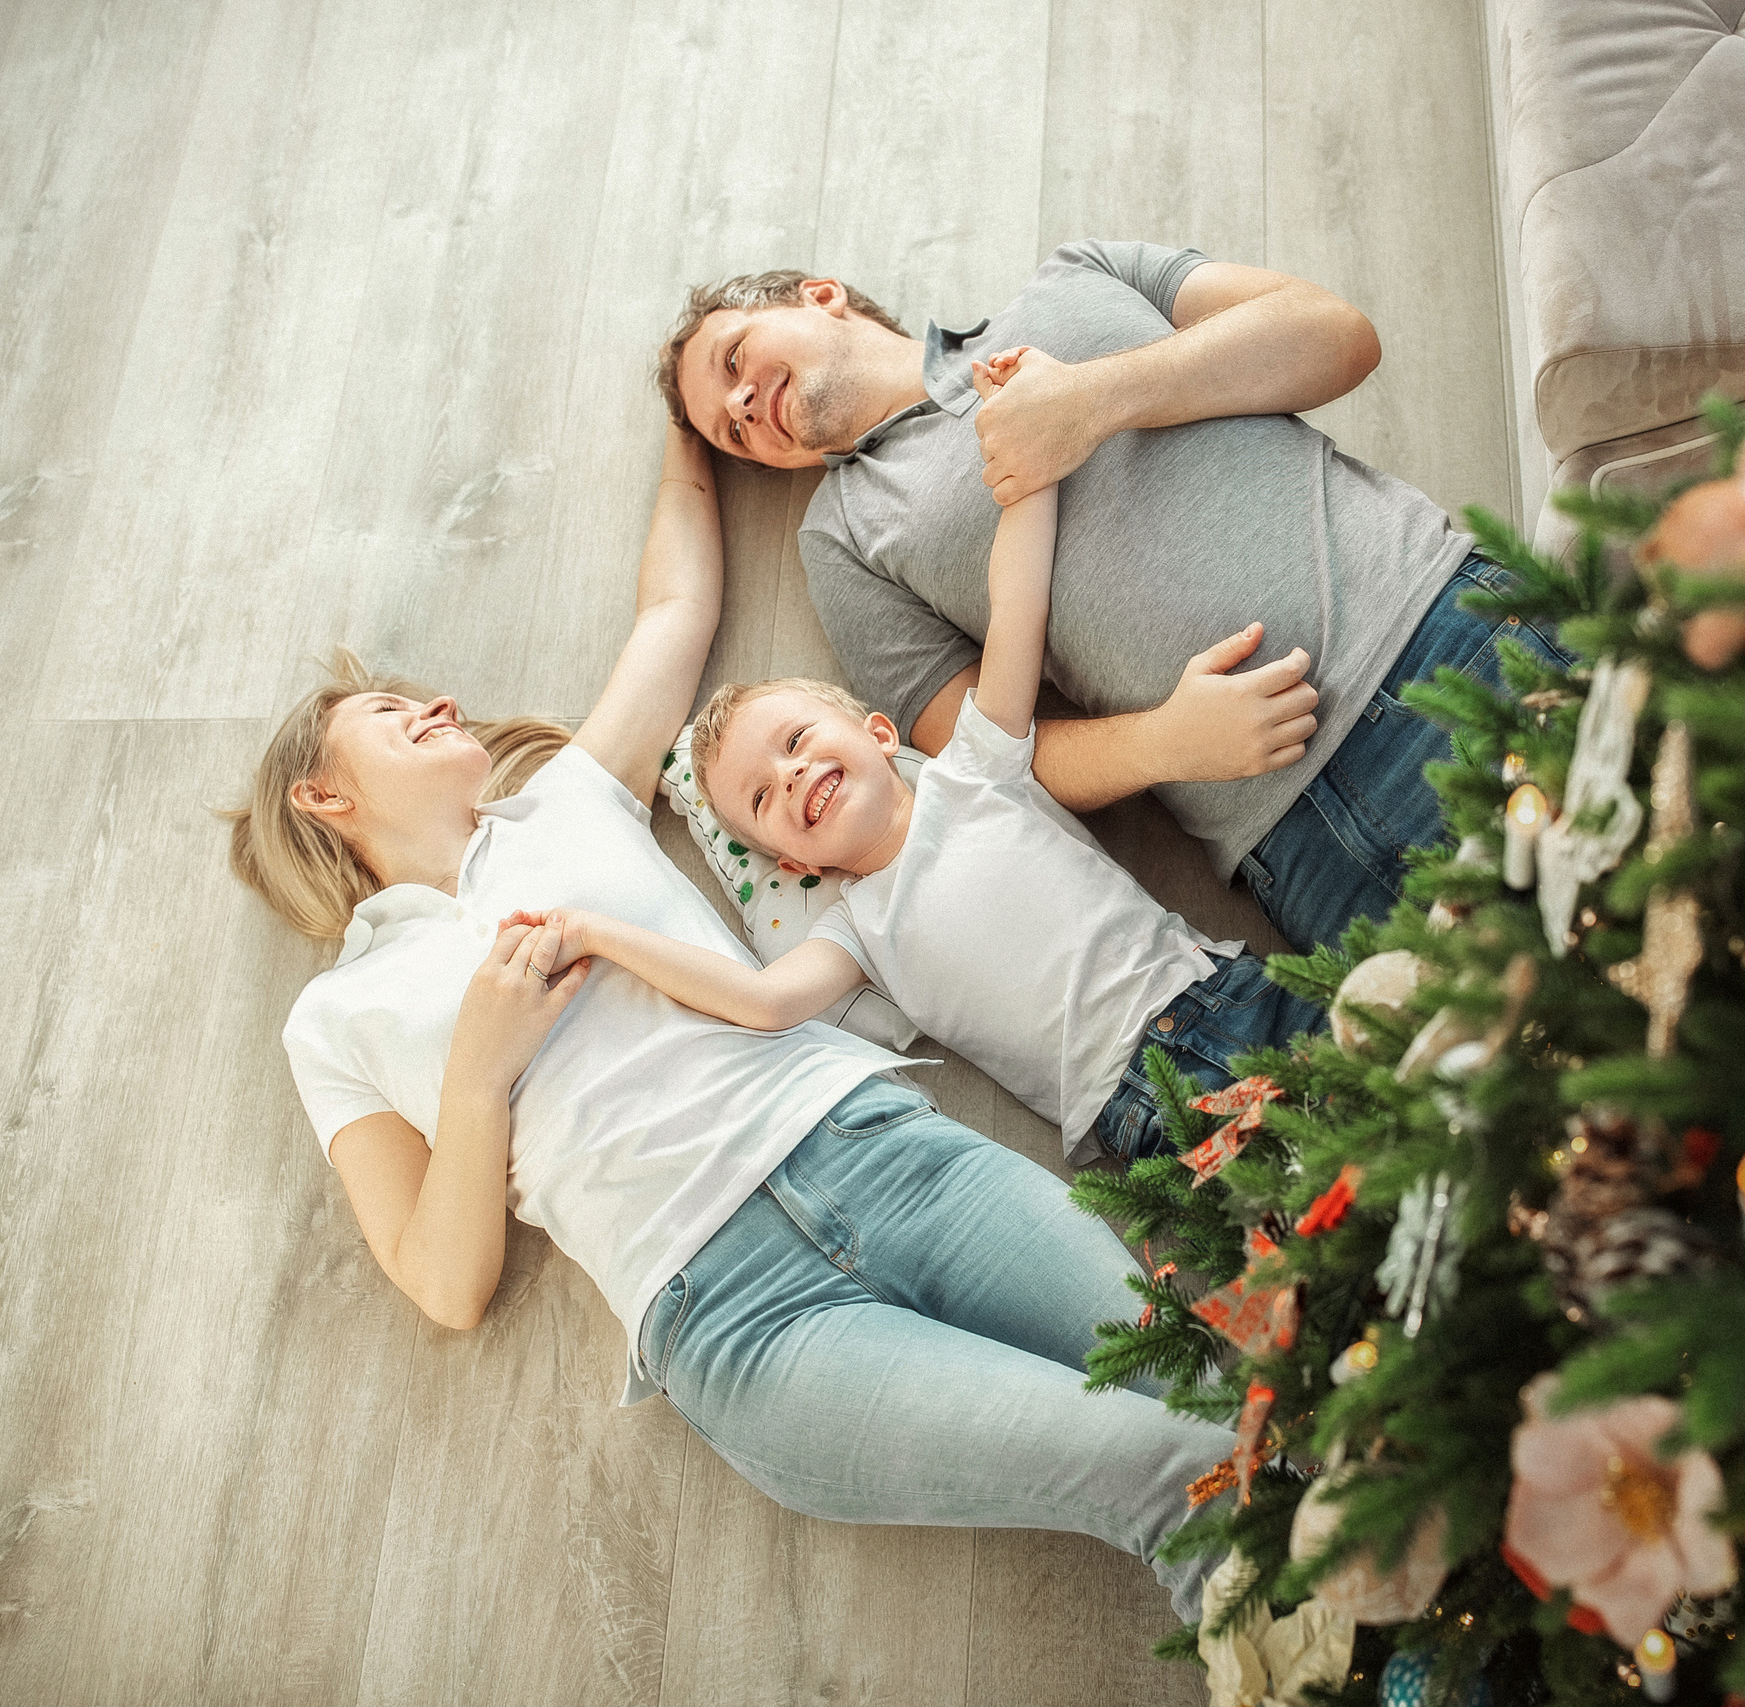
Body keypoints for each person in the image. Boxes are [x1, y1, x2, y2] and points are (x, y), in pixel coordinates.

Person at [225, 425, 1231, 1621]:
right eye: (391, 712)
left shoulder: (573, 803)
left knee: (1217, 1384)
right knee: (1165, 1468)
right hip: (738, 1317)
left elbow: (675, 606)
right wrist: (478, 1077)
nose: (439, 703)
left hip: (883, 1160)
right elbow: (445, 1285)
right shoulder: (335, 1020)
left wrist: (681, 424)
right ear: (321, 794)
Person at [653, 241, 1577, 953]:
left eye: (735, 359)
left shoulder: (1079, 274)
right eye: (726, 430)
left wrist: (1095, 399)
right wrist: (1165, 742)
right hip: (1312, 814)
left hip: (1450, 628)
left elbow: (1338, 334)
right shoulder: (845, 538)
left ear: (820, 295)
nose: (739, 406)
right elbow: (985, 758)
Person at [518, 349, 1318, 1164]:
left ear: (877, 733)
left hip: (1215, 988)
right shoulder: (858, 929)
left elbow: (1016, 606)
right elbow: (759, 1002)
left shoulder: (976, 766)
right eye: (761, 798)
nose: (790, 776)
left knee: (1414, 1114)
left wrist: (1027, 460)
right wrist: (595, 930)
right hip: (1146, 1102)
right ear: (791, 859)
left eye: (795, 742)